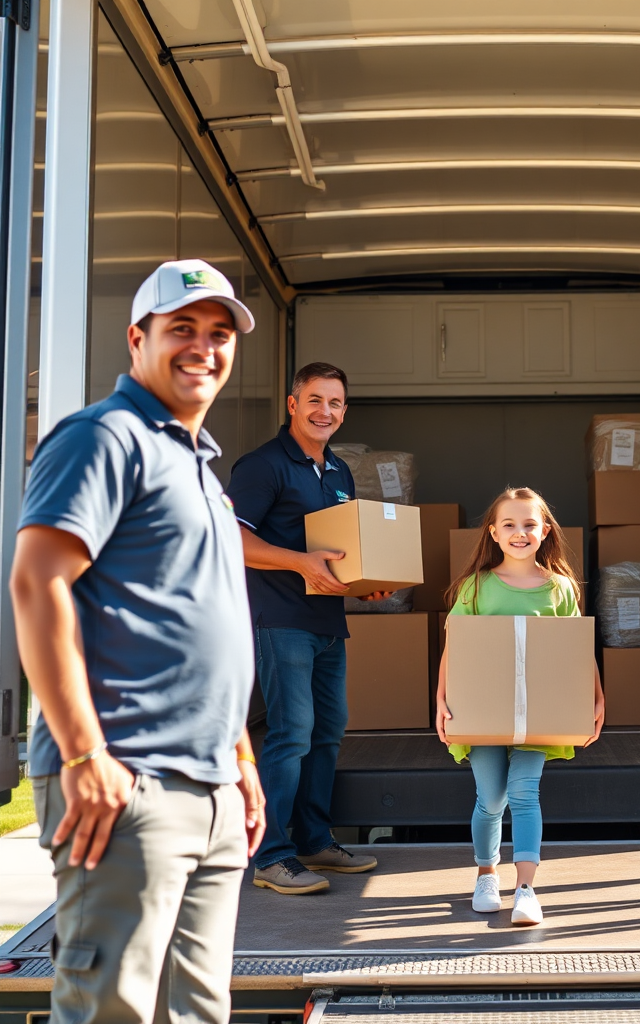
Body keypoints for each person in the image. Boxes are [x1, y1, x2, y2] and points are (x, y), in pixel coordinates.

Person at [9, 259, 265, 1024]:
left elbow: (208, 618)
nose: (204, 348)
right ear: (136, 338)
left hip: (212, 787)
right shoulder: (104, 437)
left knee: (197, 1012)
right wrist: (85, 755)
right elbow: (37, 584)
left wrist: (242, 759)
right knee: (115, 1010)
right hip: (128, 782)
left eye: (219, 334)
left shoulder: (202, 468)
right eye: (181, 329)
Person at [226, 361, 382, 895]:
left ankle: (315, 839)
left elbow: (340, 549)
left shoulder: (338, 471)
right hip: (280, 618)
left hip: (326, 621)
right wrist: (299, 562)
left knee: (327, 730)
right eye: (315, 400)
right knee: (291, 732)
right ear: (292, 404)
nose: (326, 411)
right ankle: (271, 855)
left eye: (335, 403)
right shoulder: (263, 466)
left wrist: (368, 581)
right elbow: (235, 540)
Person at [435, 487, 605, 926]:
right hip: (483, 714)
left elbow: (575, 648)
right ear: (493, 533)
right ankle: (486, 874)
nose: (519, 532)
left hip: (539, 714)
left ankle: (526, 889)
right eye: (509, 524)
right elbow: (455, 645)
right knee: (491, 798)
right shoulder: (475, 587)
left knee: (526, 792)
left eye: (529, 524)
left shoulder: (560, 588)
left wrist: (596, 694)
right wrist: (441, 698)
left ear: (545, 531)